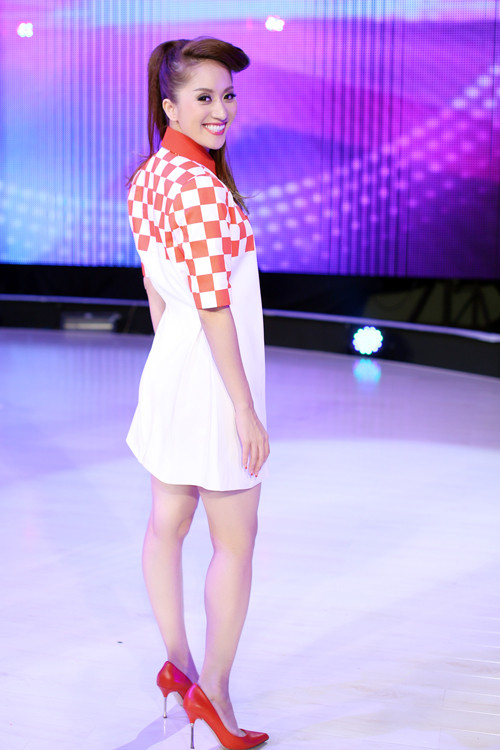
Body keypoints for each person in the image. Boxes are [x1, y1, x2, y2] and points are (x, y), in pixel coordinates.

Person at [126, 37, 270, 750]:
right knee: (234, 544)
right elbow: (215, 308)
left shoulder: (149, 176)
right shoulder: (203, 191)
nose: (221, 110)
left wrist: (171, 362)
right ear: (170, 106)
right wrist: (244, 408)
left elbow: (156, 288)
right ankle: (213, 691)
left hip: (172, 366)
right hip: (214, 378)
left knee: (166, 525)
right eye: (204, 97)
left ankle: (177, 668)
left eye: (228, 95)